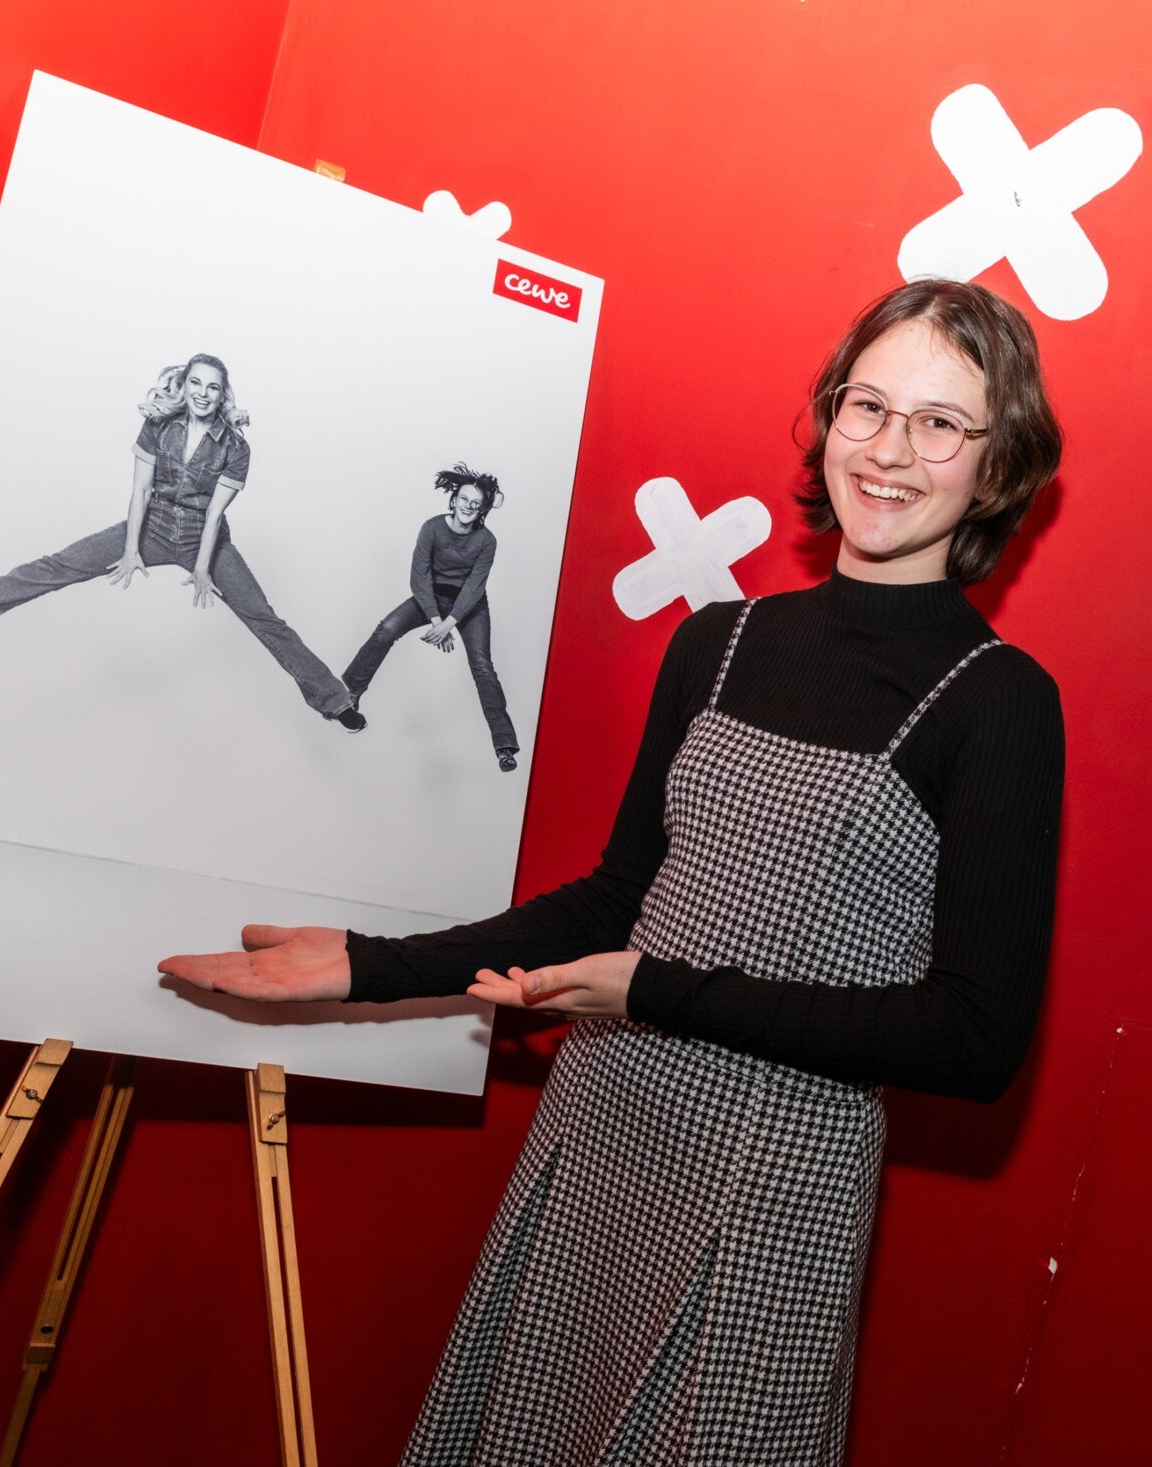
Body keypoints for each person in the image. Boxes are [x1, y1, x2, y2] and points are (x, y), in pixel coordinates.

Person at [161, 279, 1065, 1465]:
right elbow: (617, 895)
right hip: (606, 1126)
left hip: (776, 1175)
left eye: (941, 423)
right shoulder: (719, 641)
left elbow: (974, 1038)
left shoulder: (998, 704)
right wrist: (369, 967)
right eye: (867, 407)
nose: (891, 451)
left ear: (996, 468)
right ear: (828, 420)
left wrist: (652, 993)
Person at [0, 354, 363, 731]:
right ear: (185, 387)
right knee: (55, 566)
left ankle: (333, 700)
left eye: (213, 387)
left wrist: (203, 568)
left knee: (264, 618)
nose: (203, 394)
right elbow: (140, 491)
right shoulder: (159, 427)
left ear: (223, 394)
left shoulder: (235, 446)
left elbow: (217, 512)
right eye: (196, 384)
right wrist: (130, 548)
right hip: (152, 525)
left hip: (205, 538)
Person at [342, 464, 520, 770]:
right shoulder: (431, 528)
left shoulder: (487, 541)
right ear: (453, 500)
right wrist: (437, 620)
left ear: (482, 510)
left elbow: (475, 587)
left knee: (483, 666)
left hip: (470, 603)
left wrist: (451, 622)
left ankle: (504, 744)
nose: (468, 506)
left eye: (476, 504)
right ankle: (347, 696)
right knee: (386, 629)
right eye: (464, 499)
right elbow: (419, 578)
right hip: (432, 596)